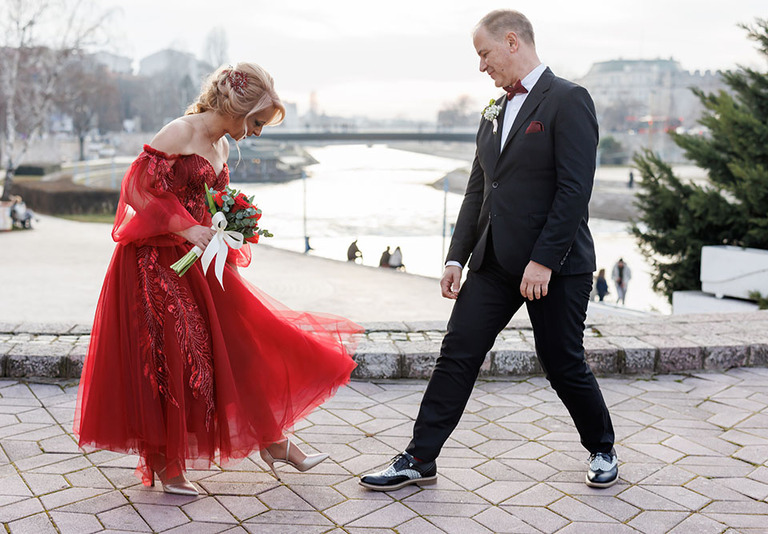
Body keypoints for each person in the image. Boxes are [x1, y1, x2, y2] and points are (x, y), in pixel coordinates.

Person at [74, 64, 362, 496]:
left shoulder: (223, 147)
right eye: (258, 122)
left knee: (241, 343)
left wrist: (228, 228)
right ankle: (170, 464)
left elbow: (212, 203)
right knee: (175, 352)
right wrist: (188, 227)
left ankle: (274, 441)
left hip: (198, 262)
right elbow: (136, 188)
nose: (258, 133)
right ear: (238, 108)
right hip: (154, 261)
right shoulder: (179, 131)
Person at [360, 10, 617, 492]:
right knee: (457, 352)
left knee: (562, 360)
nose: (481, 66)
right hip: (494, 262)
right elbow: (478, 191)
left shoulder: (569, 99)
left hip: (556, 267)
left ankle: (601, 446)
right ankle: (419, 457)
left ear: (513, 41)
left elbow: (574, 190)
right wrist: (456, 257)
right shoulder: (492, 111)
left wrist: (543, 260)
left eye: (484, 53)